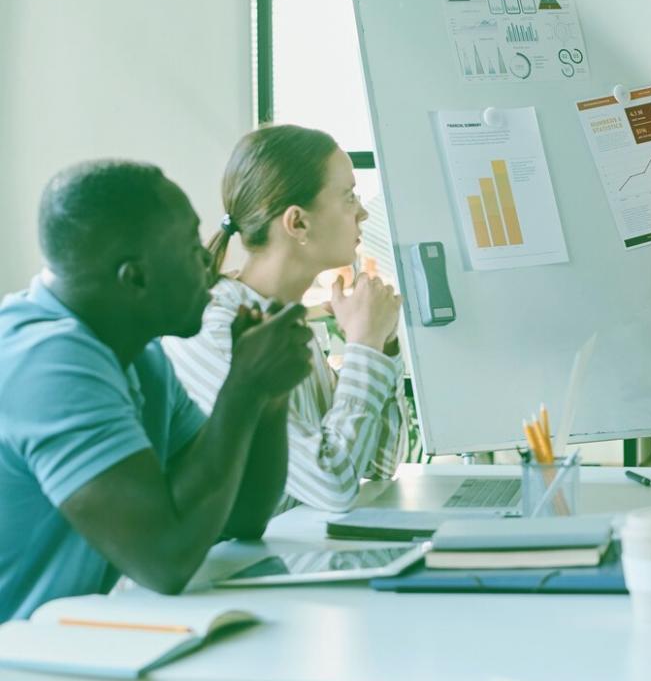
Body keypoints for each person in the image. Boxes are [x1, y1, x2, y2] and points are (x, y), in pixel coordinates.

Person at [0, 160, 313, 621]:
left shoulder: (140, 356)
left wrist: (268, 395)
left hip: (59, 652)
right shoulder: (48, 362)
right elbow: (164, 559)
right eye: (191, 247)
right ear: (135, 278)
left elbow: (239, 518)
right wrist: (243, 388)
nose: (210, 262)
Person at [165, 125, 417, 514]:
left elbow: (380, 463)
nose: (363, 212)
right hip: (229, 567)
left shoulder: (285, 319)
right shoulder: (220, 328)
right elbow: (333, 487)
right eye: (348, 197)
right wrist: (364, 347)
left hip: (287, 555)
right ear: (298, 223)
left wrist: (381, 344)